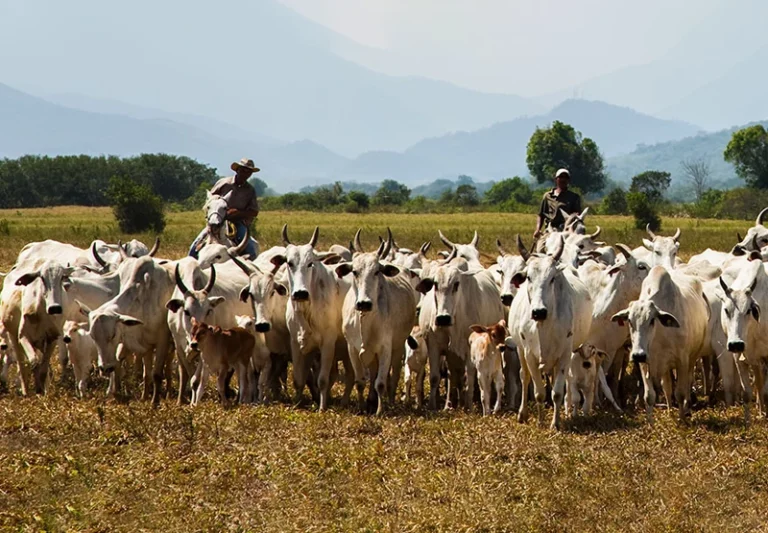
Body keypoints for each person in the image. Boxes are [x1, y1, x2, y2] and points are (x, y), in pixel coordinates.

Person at [189, 158, 260, 259]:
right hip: (217, 220)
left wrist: (238, 213)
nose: (246, 173)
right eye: (243, 170)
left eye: (249, 171)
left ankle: (249, 271)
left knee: (250, 251)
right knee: (194, 248)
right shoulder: (224, 183)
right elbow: (210, 199)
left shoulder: (250, 190)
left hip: (237, 223)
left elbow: (254, 211)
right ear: (237, 170)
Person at [533, 168, 582, 241]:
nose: (563, 179)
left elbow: (578, 216)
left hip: (566, 231)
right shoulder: (548, 196)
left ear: (568, 180)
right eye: (561, 177)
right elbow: (541, 215)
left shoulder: (574, 197)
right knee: (540, 249)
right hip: (550, 230)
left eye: (566, 177)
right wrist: (538, 229)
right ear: (556, 179)